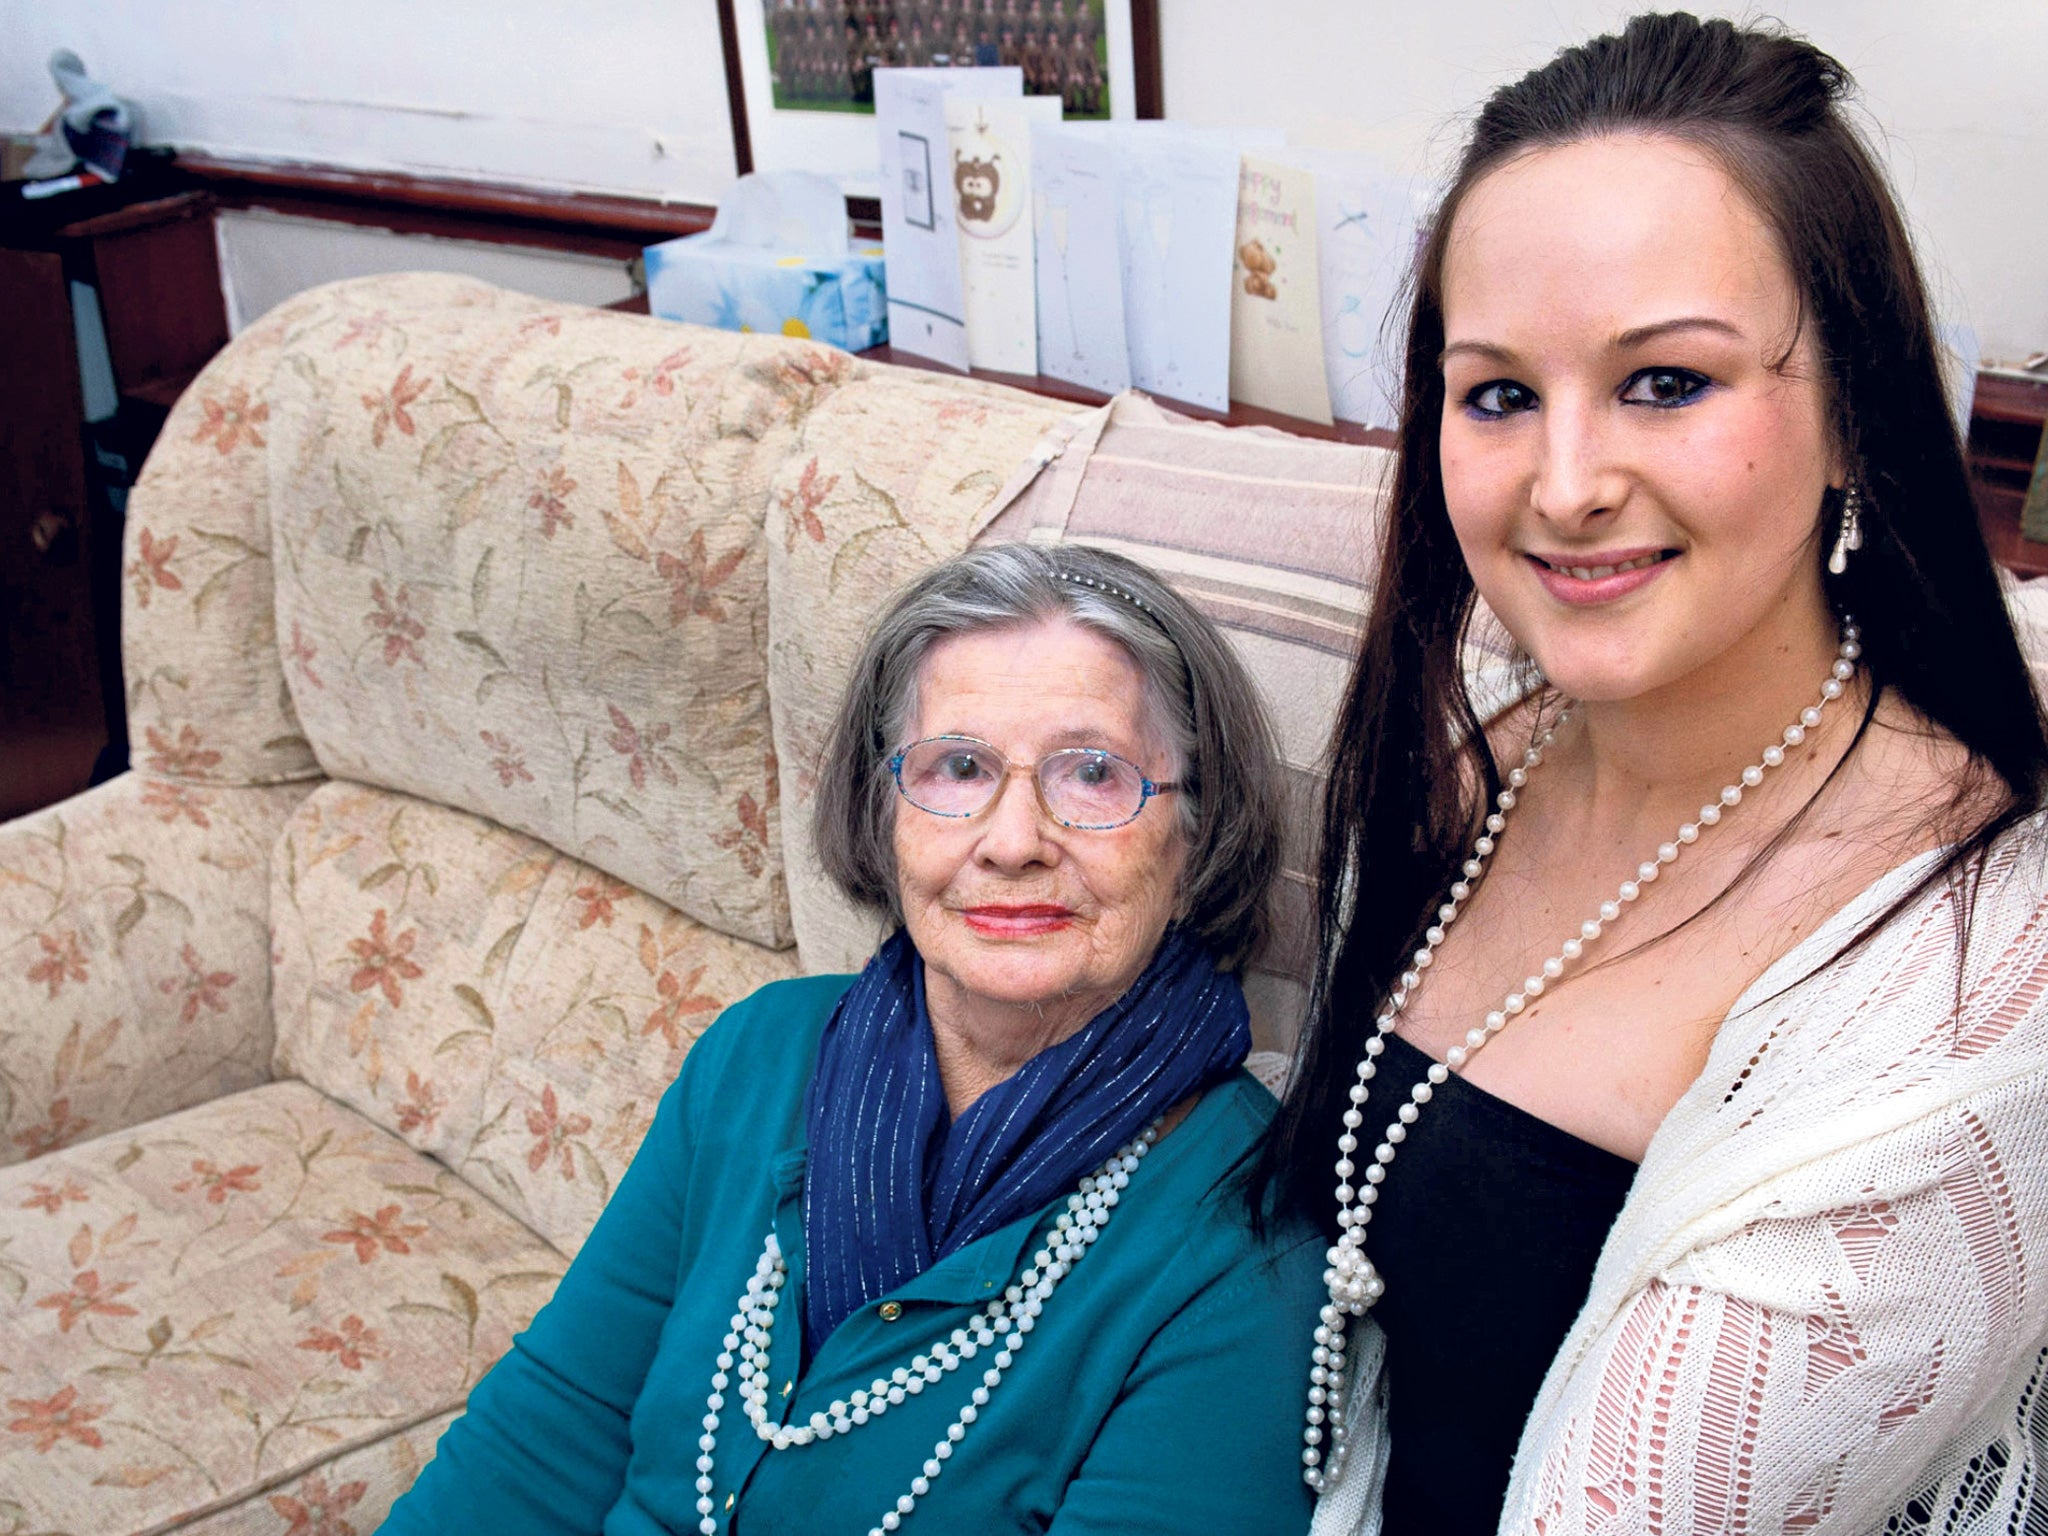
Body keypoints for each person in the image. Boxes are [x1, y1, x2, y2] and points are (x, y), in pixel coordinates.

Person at [1253, 13, 2048, 1535]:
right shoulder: (1478, 761)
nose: (1564, 485)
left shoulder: (1965, 967)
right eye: (1496, 395)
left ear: (1855, 417)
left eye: (1666, 383)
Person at [380, 544, 1325, 1536]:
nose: (1011, 841)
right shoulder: (758, 1054)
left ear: (1196, 832)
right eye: (956, 766)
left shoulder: (1249, 1243)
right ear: (883, 815)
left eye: (1091, 773)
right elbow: (553, 1432)